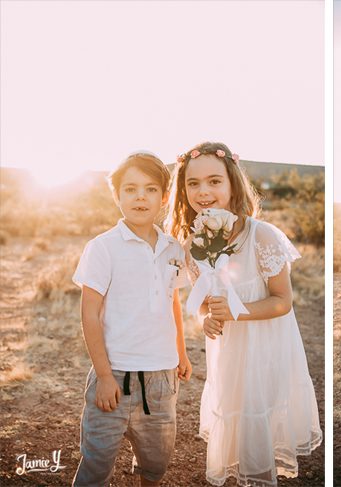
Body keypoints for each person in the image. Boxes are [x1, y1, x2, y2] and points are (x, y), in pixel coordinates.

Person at [166, 141, 322, 486]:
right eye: (193, 183)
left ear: (232, 183)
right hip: (229, 354)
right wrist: (205, 318)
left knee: (260, 418)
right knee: (237, 422)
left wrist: (237, 313)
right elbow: (204, 303)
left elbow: (283, 300)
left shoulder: (261, 236)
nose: (203, 191)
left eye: (214, 181)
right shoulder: (193, 245)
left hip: (266, 348)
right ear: (183, 190)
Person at [72, 152, 192, 486]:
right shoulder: (103, 247)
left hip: (161, 377)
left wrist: (180, 353)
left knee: (155, 464)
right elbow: (90, 313)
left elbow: (173, 302)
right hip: (114, 374)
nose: (141, 197)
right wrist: (104, 375)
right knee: (96, 466)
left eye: (151, 189)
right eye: (131, 189)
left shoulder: (173, 249)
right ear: (118, 196)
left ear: (164, 197)